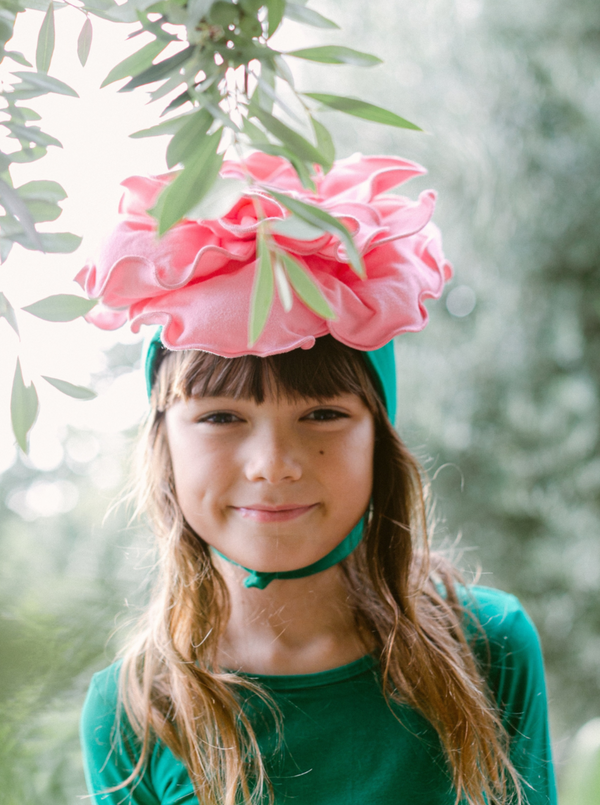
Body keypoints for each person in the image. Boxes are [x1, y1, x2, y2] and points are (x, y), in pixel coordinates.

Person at [78, 154, 557, 805]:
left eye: (323, 413)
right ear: (163, 445)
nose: (274, 462)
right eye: (222, 416)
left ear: (379, 442)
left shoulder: (487, 647)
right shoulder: (133, 711)